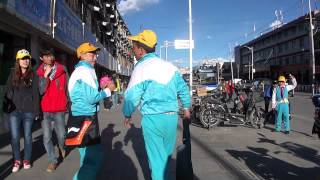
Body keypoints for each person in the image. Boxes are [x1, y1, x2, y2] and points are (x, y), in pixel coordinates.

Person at [122, 30, 191, 180]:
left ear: (141, 50)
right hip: (171, 118)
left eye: (133, 47)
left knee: (157, 162)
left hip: (153, 119)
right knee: (165, 158)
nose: (132, 50)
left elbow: (131, 96)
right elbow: (184, 90)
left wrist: (127, 113)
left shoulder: (141, 68)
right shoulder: (170, 67)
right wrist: (186, 108)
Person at [68, 42, 115, 180]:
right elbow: (92, 98)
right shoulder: (84, 71)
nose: (95, 57)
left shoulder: (82, 71)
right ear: (82, 56)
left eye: (95, 54)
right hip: (86, 119)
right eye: (91, 54)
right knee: (93, 159)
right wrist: (108, 90)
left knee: (86, 157)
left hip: (81, 117)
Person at [5, 49, 40, 172]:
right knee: (14, 137)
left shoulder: (33, 75)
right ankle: (16, 160)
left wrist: (37, 112)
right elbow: (8, 91)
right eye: (23, 58)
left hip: (29, 111)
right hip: (14, 112)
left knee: (27, 136)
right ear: (18, 61)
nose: (25, 61)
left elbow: (36, 94)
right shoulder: (13, 74)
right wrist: (6, 107)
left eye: (27, 58)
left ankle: (26, 159)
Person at [36, 49, 68, 172]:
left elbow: (67, 87)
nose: (49, 58)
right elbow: (41, 90)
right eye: (46, 56)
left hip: (59, 108)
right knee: (47, 137)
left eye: (51, 55)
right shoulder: (39, 73)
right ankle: (53, 161)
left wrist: (69, 102)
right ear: (41, 58)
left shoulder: (62, 69)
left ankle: (62, 147)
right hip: (45, 110)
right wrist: (45, 76)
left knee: (61, 135)